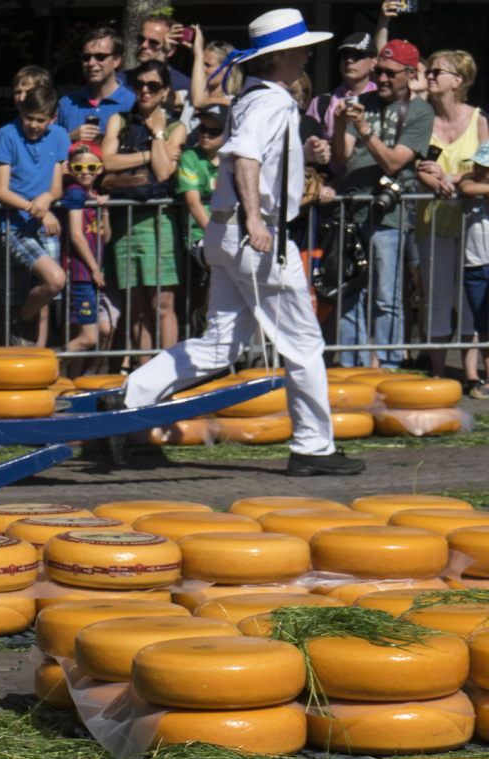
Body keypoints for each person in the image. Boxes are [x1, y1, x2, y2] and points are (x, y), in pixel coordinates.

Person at [121, 8, 362, 478]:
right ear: (282, 56)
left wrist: (297, 159)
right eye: (302, 47)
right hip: (259, 235)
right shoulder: (272, 102)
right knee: (304, 344)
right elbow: (246, 156)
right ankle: (313, 447)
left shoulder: (250, 95)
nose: (309, 52)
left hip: (224, 231)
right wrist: (256, 218)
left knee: (219, 345)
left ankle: (132, 393)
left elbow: (253, 154)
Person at [336, 38, 432, 367]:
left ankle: (389, 370)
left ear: (410, 73)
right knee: (350, 294)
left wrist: (363, 127)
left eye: (392, 73)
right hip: (351, 210)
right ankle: (350, 368)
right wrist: (338, 126)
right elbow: (340, 155)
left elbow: (393, 163)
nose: (384, 79)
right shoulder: (362, 100)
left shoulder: (420, 112)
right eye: (380, 72)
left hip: (388, 216)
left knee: (386, 297)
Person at [101, 59, 186, 356]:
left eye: (153, 86)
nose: (145, 91)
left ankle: (170, 376)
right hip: (124, 221)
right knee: (136, 309)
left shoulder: (176, 126)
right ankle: (143, 374)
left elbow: (163, 175)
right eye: (139, 85)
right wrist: (151, 153)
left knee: (161, 305)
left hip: (158, 221)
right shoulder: (118, 120)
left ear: (166, 90)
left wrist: (159, 132)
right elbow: (106, 162)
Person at [412, 49, 486, 380]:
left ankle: (471, 374)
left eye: (435, 72)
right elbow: (415, 165)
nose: (428, 76)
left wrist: (449, 177)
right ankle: (439, 374)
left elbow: (484, 174)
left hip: (474, 223)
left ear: (457, 81)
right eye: (428, 71)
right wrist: (433, 177)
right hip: (433, 220)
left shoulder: (479, 119)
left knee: (472, 300)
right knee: (438, 299)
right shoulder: (421, 117)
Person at [0, 86, 69, 346]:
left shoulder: (59, 136)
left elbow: (57, 187)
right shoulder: (6, 134)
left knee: (46, 296)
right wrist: (36, 209)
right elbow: (1, 191)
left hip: (43, 225)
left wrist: (47, 200)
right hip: (14, 226)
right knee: (48, 282)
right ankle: (21, 325)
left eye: (41, 120)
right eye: (29, 118)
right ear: (21, 111)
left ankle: (38, 357)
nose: (34, 125)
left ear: (52, 118)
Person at [61, 142, 115, 361]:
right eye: (79, 168)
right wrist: (94, 269)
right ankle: (43, 363)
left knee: (82, 335)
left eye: (91, 168)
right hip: (81, 274)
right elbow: (76, 235)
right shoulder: (75, 194)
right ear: (71, 168)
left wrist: (104, 212)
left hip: (90, 275)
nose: (85, 173)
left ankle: (70, 380)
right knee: (88, 338)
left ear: (100, 169)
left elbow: (106, 237)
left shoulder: (92, 195)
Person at [311, 31, 379, 176]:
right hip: (332, 191)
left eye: (357, 55)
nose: (349, 60)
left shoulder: (383, 100)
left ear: (374, 62)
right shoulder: (320, 103)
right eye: (345, 55)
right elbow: (309, 153)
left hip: (374, 190)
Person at [61, 27, 135, 146]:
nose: (91, 63)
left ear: (116, 60)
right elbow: (45, 148)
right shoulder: (66, 103)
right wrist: (69, 137)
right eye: (86, 57)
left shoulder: (132, 103)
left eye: (100, 57)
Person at [459, 143, 489, 395]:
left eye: (485, 167)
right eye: (478, 164)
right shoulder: (471, 183)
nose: (480, 170)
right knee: (483, 324)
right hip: (475, 264)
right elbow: (466, 185)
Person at [175, 103, 228, 247]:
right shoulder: (189, 158)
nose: (206, 135)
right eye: (203, 129)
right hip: (199, 237)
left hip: (229, 235)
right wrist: (215, 236)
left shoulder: (233, 159)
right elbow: (193, 203)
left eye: (215, 131)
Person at [137, 17, 195, 103]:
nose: (144, 45)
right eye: (141, 39)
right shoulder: (121, 80)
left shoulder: (185, 85)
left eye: (153, 42)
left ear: (170, 51)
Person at [192, 32, 246, 111]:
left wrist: (198, 55)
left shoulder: (232, 102)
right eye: (200, 64)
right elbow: (166, 97)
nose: (201, 69)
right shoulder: (189, 95)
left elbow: (199, 102)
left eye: (208, 65)